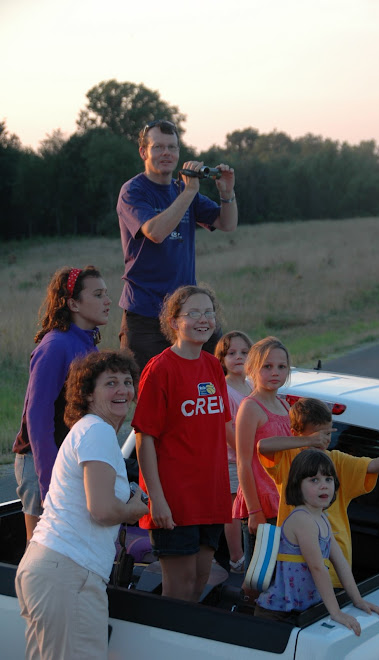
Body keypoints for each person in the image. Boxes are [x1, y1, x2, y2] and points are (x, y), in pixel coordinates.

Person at [15, 350, 148, 660]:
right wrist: (136, 509)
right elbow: (101, 510)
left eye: (127, 382)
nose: (122, 391)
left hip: (51, 568)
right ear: (87, 393)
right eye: (110, 383)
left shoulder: (89, 431)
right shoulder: (97, 431)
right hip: (68, 573)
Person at [258, 397, 379, 587]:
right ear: (296, 433)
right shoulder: (287, 458)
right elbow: (262, 446)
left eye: (328, 434)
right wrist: (306, 441)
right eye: (318, 436)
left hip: (333, 563)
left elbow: (372, 465)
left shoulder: (337, 460)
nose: (324, 440)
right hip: (293, 563)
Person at [133, 284, 232, 601]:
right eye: (193, 313)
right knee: (179, 592)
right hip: (174, 501)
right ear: (174, 322)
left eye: (208, 312)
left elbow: (223, 431)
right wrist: (156, 499)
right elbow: (144, 438)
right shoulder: (160, 369)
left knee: (199, 584)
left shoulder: (214, 366)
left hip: (211, 498)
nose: (203, 319)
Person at [117, 119, 238, 372]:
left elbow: (227, 223)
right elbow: (156, 232)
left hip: (188, 312)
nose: (166, 153)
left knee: (212, 377)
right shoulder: (133, 191)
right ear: (143, 151)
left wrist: (227, 193)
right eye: (158, 147)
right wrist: (189, 192)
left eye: (172, 148)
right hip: (146, 313)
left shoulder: (182, 190)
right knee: (150, 394)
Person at [12, 265, 111, 542]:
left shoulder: (90, 346)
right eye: (99, 294)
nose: (108, 301)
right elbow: (38, 416)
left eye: (107, 293)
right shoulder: (55, 345)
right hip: (43, 462)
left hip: (71, 461)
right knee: (43, 551)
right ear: (73, 303)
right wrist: (50, 483)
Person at [255, 449, 379, 635]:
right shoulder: (302, 519)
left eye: (328, 479)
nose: (323, 485)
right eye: (314, 480)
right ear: (296, 485)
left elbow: (341, 564)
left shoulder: (322, 519)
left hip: (302, 609)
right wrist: (336, 612)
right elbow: (317, 567)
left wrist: (358, 600)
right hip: (277, 612)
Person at [232, 336, 291, 571]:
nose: (275, 372)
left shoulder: (285, 406)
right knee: (260, 576)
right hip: (261, 506)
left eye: (281, 367)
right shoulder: (250, 407)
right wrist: (255, 511)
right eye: (267, 366)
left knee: (280, 574)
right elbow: (243, 463)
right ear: (252, 369)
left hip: (284, 503)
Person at [214, 331, 253, 573]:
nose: (239, 357)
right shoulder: (225, 390)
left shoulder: (251, 385)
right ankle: (237, 558)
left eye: (244, 353)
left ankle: (252, 554)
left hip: (252, 461)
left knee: (250, 509)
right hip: (233, 461)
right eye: (232, 353)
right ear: (222, 359)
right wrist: (245, 454)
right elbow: (226, 430)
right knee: (233, 512)